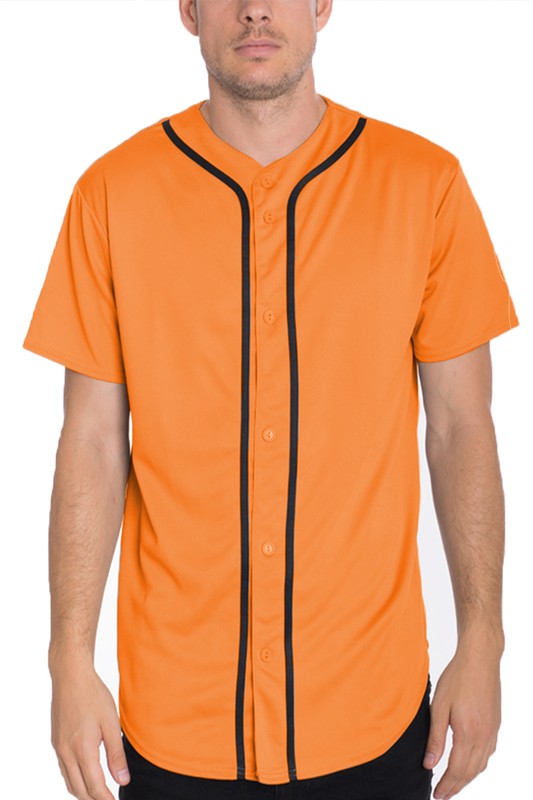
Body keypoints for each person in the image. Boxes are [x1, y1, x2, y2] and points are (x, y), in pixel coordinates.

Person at [22, 1, 520, 799]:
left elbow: (461, 428)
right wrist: (69, 662)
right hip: (171, 722)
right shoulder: (111, 194)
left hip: (372, 709)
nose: (254, 8)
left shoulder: (424, 185)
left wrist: (483, 643)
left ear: (322, 5)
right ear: (188, 10)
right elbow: (90, 441)